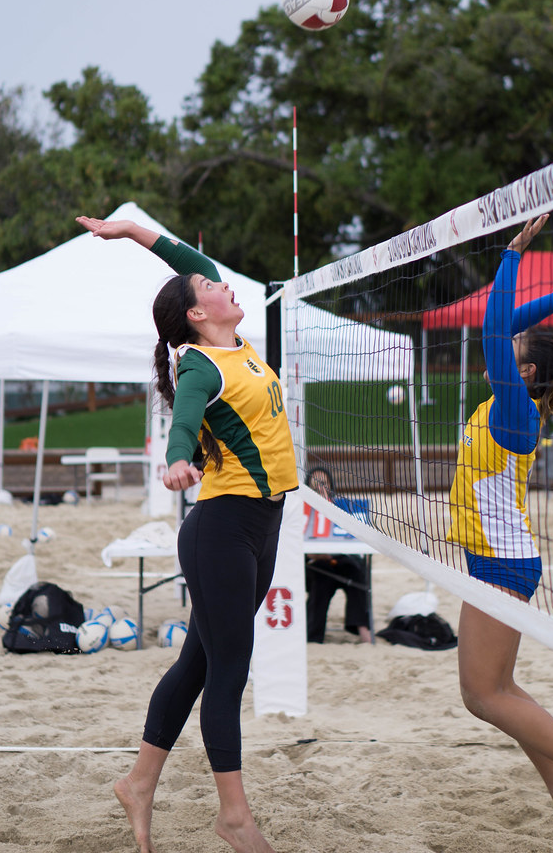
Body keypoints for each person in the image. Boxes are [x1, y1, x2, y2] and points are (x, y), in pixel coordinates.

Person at [76, 215, 298, 853]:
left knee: (198, 661)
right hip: (222, 529)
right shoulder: (203, 364)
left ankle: (139, 782)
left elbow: (184, 256)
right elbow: (185, 422)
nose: (226, 286)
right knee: (229, 669)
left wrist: (130, 230)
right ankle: (233, 814)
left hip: (262, 523)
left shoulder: (230, 336)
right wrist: (178, 459)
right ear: (199, 314)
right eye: (213, 287)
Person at [447, 215, 553, 853]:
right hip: (493, 559)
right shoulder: (508, 401)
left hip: (503, 565)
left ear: (529, 375)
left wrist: (514, 253)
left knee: (483, 696)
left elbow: (493, 324)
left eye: (512, 356)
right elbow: (504, 327)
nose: (499, 353)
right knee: (496, 691)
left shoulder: (515, 410)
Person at [304, 467, 372, 643]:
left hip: (340, 559)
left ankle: (362, 628)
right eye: (315, 483)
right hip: (312, 562)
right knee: (322, 578)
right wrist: (312, 555)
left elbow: (355, 538)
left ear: (330, 485)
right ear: (308, 487)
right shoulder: (301, 509)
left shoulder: (341, 508)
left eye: (323, 483)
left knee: (357, 571)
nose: (319, 487)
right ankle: (314, 634)